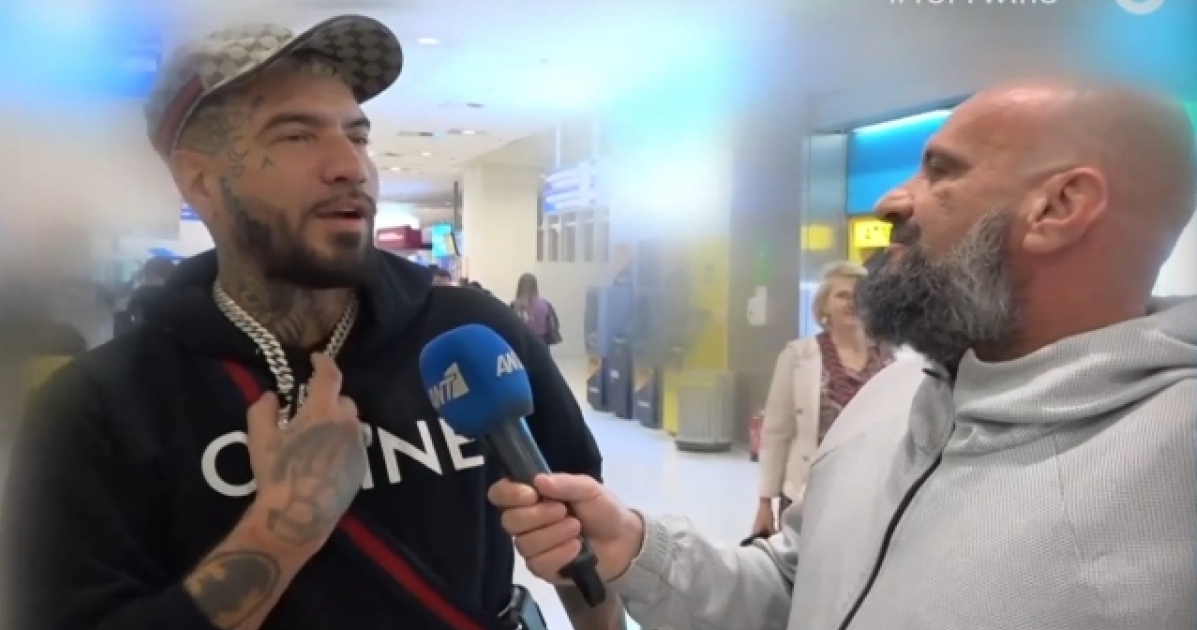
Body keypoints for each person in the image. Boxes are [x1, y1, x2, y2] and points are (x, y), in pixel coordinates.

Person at [489, 80, 1197, 629]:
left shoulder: (1174, 465)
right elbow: (797, 588)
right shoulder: (894, 396)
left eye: (941, 172)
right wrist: (638, 550)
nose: (891, 201)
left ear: (1059, 207)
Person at [0, 17, 624, 630]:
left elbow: (579, 544)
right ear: (200, 181)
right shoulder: (102, 406)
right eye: (296, 135)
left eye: (357, 136)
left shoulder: (471, 336)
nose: (350, 166)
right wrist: (281, 531)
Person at [752, 261, 893, 536]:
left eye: (859, 296)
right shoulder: (798, 356)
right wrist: (765, 502)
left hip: (871, 494)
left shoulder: (889, 357)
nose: (852, 303)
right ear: (824, 305)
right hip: (807, 492)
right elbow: (777, 432)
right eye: (842, 295)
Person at [512, 273, 561, 347]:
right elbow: (555, 324)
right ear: (535, 286)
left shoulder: (514, 306)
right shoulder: (545, 304)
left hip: (521, 345)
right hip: (541, 343)